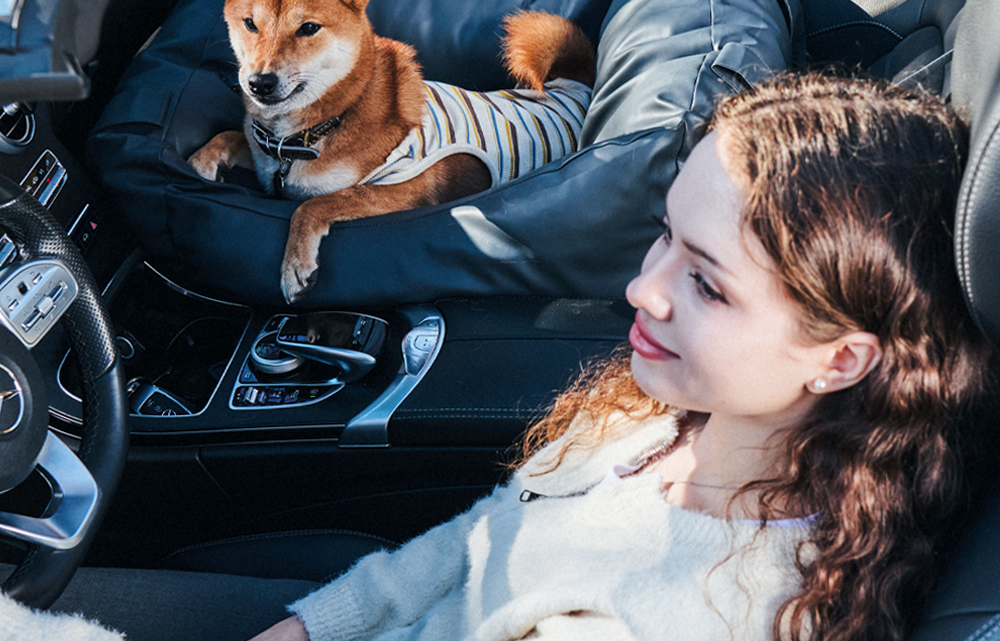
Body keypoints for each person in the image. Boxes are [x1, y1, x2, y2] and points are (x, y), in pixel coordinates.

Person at [247, 72, 1000, 641]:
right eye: (666, 234)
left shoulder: (688, 611)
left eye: (707, 284)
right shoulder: (660, 418)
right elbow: (479, 538)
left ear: (839, 360)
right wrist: (314, 625)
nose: (643, 289)